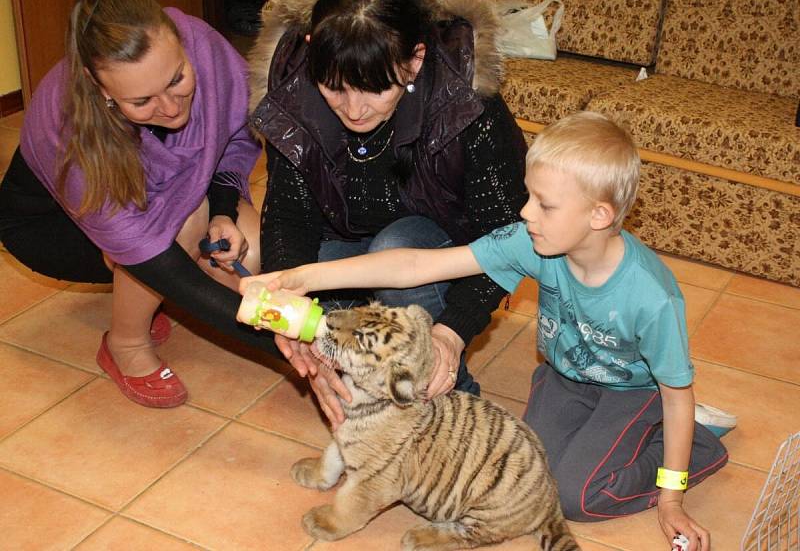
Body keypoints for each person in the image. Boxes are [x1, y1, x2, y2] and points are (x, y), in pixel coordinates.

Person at [241, 112, 736, 551]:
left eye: (544, 205)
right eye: (529, 198)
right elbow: (417, 264)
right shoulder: (533, 241)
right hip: (564, 377)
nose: (524, 213)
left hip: (635, 392)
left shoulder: (652, 298)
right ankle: (647, 435)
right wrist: (298, 278)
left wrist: (671, 499)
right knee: (531, 475)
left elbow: (676, 392)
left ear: (599, 216)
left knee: (573, 496)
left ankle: (697, 443)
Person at [247, 0, 528, 426]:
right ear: (314, 53)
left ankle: (456, 407)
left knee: (396, 247)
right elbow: (288, 218)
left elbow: (507, 238)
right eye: (334, 87)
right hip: (345, 250)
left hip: (443, 259)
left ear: (415, 60)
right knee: (316, 283)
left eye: (375, 88)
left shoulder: (468, 106)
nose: (354, 109)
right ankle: (386, 393)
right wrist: (290, 316)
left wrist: (451, 333)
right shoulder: (292, 96)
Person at [0, 0, 282, 408]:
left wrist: (223, 210)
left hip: (168, 200)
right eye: (142, 100)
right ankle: (126, 344)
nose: (171, 107)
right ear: (102, 91)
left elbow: (237, 140)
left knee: (252, 252)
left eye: (178, 79)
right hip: (49, 228)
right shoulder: (70, 120)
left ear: (182, 44)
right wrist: (278, 343)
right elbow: (147, 249)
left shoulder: (201, 43)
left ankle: (148, 298)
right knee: (182, 224)